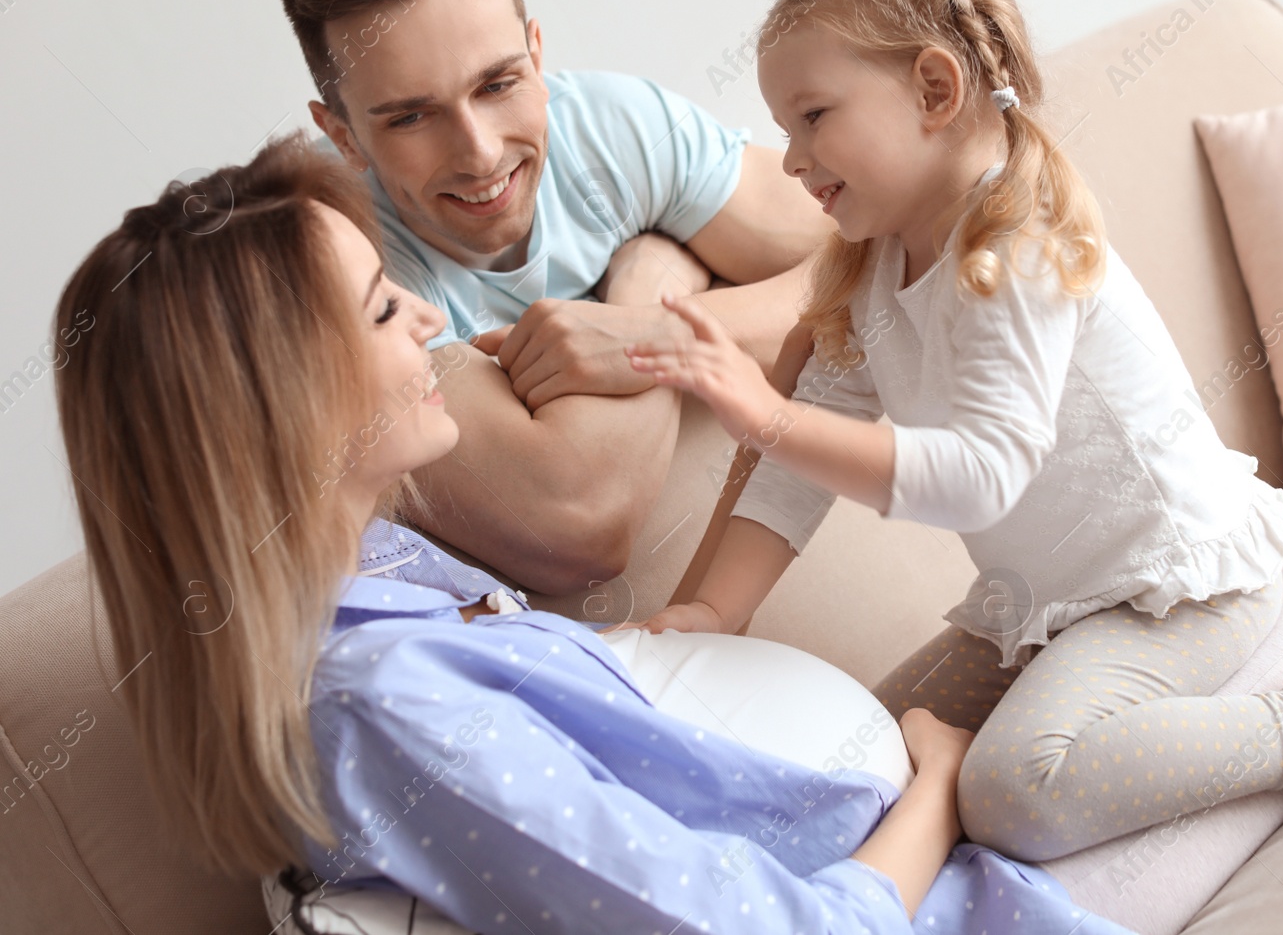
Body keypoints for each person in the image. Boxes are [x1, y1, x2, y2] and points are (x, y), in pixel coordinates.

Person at [52, 133, 1135, 934]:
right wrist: (942, 788)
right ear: (281, 407)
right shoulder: (378, 703)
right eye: (387, 308)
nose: (430, 320)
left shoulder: (381, 574)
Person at [622, 0, 1283, 862]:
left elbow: (979, 478)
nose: (790, 158)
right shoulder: (873, 271)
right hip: (1035, 607)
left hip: (1177, 588)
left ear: (935, 89)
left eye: (813, 116)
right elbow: (793, 477)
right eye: (784, 128)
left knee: (1016, 792)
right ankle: (941, 773)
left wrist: (767, 414)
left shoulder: (1016, 251)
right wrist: (713, 613)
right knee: (856, 755)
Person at [277, 0, 835, 594]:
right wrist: (657, 273)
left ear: (537, 59)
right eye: (412, 116)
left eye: (498, 83)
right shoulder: (337, 269)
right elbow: (577, 526)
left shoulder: (612, 127)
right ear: (343, 134)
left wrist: (650, 325)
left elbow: (883, 247)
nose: (479, 155)